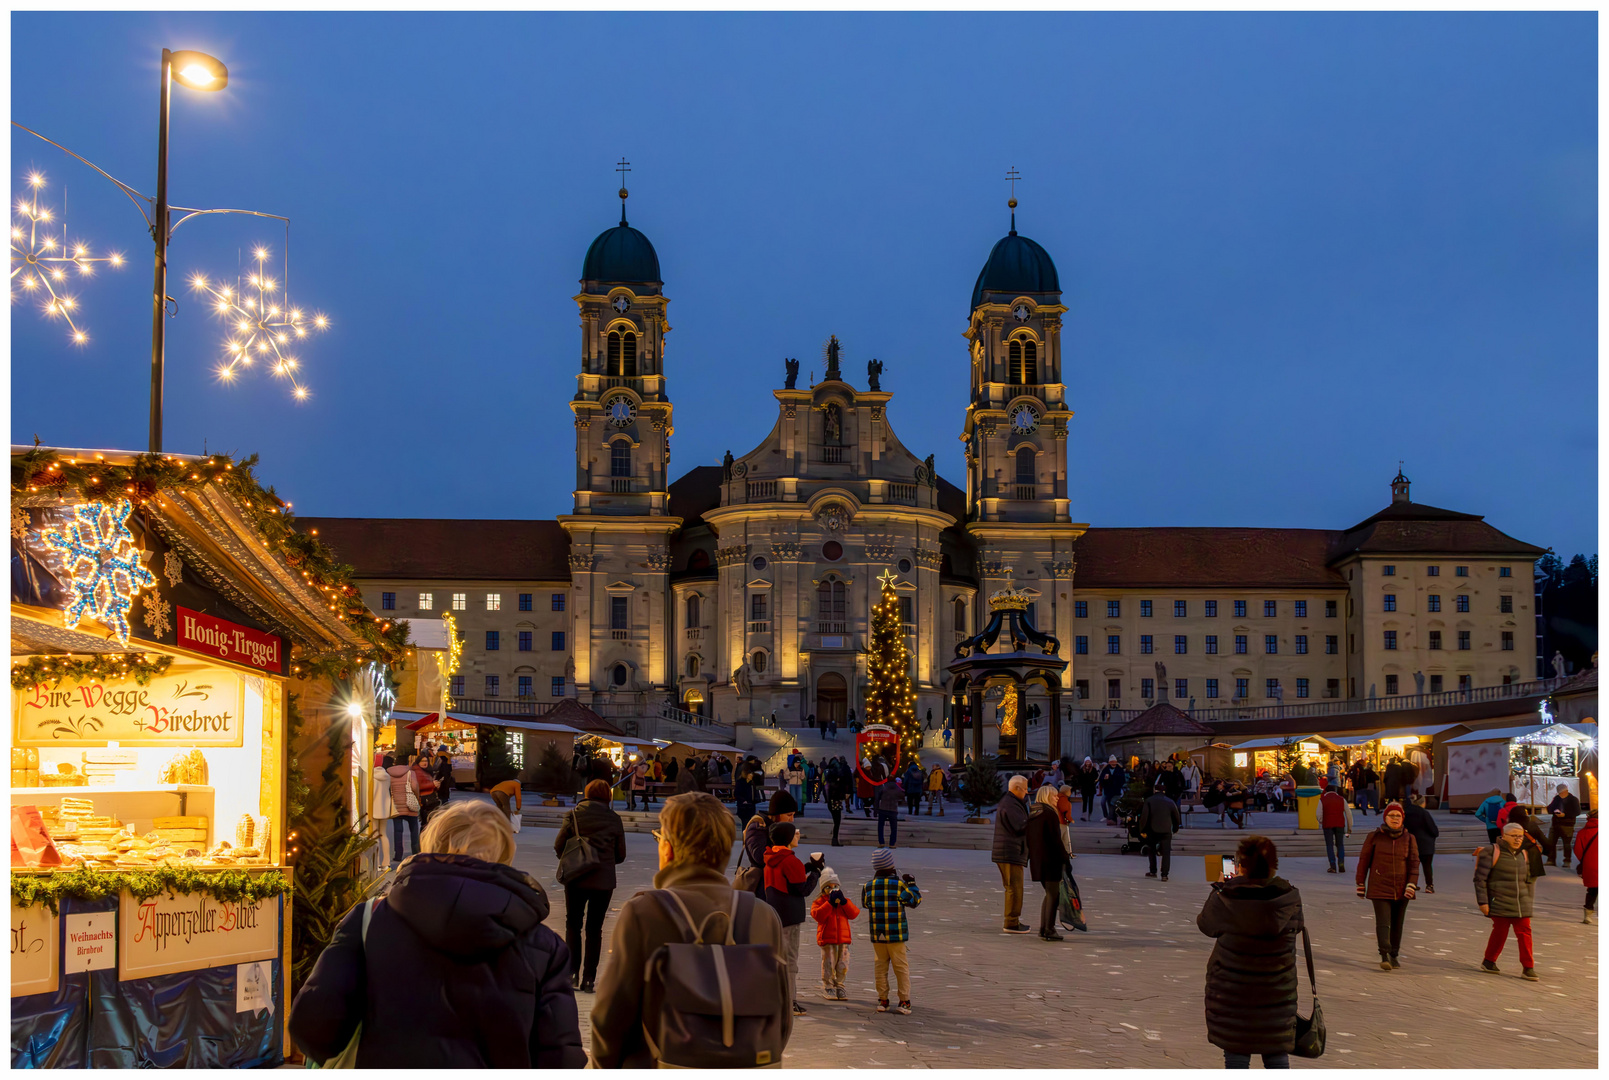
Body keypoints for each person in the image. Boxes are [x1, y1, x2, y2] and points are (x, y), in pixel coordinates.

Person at [289, 800, 585, 1067]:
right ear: (504, 854)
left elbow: (314, 1026)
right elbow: (560, 1056)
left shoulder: (370, 920)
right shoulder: (544, 946)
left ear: (430, 846)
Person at [587, 792, 790, 1067]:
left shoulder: (644, 912)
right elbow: (781, 1019)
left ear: (668, 849)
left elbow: (611, 1019)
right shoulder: (763, 916)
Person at [1197, 835, 1304, 1070]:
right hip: (1277, 992)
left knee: (1236, 1054)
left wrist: (1221, 886)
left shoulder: (1227, 897)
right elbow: (1295, 929)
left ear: (1241, 867)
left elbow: (1206, 925)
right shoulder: (1289, 897)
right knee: (1276, 1053)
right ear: (1273, 865)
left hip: (1232, 993)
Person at [553, 778, 627, 993]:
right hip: (603, 882)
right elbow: (621, 855)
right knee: (595, 929)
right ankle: (589, 979)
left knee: (573, 924)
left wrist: (572, 860)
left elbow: (559, 845)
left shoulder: (574, 815)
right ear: (608, 796)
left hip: (576, 878)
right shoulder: (614, 819)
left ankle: (572, 975)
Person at [763, 821, 825, 1015]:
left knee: (776, 959)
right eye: (795, 833)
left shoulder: (770, 857)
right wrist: (816, 871)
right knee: (790, 961)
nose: (798, 835)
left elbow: (789, 880)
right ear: (788, 838)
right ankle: (789, 1002)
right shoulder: (790, 860)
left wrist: (806, 867)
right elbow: (802, 889)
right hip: (790, 916)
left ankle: (774, 998)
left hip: (774, 914)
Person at [1355, 802, 1419, 971]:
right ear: (1385, 818)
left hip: (1402, 887)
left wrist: (1412, 884)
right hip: (1379, 886)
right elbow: (1364, 861)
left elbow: (1414, 863)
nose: (1395, 819)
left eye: (1398, 816)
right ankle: (1384, 954)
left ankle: (1394, 954)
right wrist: (1360, 882)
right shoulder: (1374, 837)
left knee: (1398, 923)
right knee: (1384, 922)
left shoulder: (1409, 838)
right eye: (1392, 816)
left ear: (1402, 818)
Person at [860, 848, 921, 1015]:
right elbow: (915, 901)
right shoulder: (899, 885)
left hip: (878, 934)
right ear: (891, 865)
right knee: (900, 967)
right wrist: (912, 884)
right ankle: (904, 1000)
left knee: (880, 966)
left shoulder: (868, 887)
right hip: (896, 933)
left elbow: (865, 904)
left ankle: (883, 1000)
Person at [1475, 822, 1540, 980]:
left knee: (1525, 932)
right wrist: (1483, 902)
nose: (1518, 839)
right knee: (1500, 931)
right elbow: (1480, 879)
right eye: (1514, 836)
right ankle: (1489, 960)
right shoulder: (1491, 852)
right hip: (1500, 901)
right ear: (1504, 836)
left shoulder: (1526, 853)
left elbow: (1531, 878)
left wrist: (1528, 900)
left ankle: (1528, 967)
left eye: (1520, 836)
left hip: (1521, 903)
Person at [1026, 785, 1071, 941]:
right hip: (1051, 860)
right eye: (1054, 795)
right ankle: (1049, 929)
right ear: (1046, 796)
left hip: (1038, 859)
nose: (1057, 798)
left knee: (1049, 893)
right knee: (1054, 894)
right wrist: (1066, 858)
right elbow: (1056, 840)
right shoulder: (1049, 813)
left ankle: (1044, 928)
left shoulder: (1034, 812)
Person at [809, 867, 860, 1001]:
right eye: (829, 887)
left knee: (842, 964)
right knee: (829, 964)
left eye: (835, 886)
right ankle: (828, 986)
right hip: (828, 939)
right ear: (823, 889)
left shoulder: (844, 902)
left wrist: (844, 902)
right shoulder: (820, 902)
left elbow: (854, 913)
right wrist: (830, 903)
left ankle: (840, 985)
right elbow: (818, 915)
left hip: (843, 939)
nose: (832, 889)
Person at [992, 775, 1032, 934]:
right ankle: (1011, 922)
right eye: (1025, 788)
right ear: (1016, 788)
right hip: (1010, 851)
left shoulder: (1011, 802)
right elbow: (1020, 826)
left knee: (1014, 887)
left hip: (1010, 851)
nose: (1027, 792)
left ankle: (1012, 920)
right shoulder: (1010, 804)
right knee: (1014, 888)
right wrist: (1034, 819)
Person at [744, 790, 798, 896]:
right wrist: (784, 843)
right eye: (789, 815)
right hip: (761, 887)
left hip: (774, 885)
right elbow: (760, 857)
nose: (792, 819)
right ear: (777, 813)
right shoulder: (758, 827)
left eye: (793, 815)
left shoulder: (776, 828)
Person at [385, 755, 423, 866]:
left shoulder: (389, 774)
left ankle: (398, 855)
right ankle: (415, 852)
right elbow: (415, 786)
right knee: (414, 829)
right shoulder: (410, 773)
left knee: (398, 831)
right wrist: (417, 796)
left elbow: (387, 788)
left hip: (396, 805)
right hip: (410, 804)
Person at [1139, 782, 1181, 882]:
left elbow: (1144, 817)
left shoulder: (1149, 801)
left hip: (1152, 830)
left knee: (1151, 850)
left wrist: (1142, 830)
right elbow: (1176, 817)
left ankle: (1153, 871)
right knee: (1166, 852)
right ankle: (1164, 875)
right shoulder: (1170, 801)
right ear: (1164, 791)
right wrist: (1175, 829)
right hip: (1166, 830)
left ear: (1154, 790)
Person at [1402, 794, 1440, 893]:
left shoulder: (1406, 813)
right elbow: (1432, 829)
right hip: (1425, 844)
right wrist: (1435, 834)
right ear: (1422, 802)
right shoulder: (1424, 813)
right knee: (1427, 865)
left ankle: (1411, 883)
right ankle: (1429, 885)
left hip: (1411, 843)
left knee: (1412, 865)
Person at [1546, 784, 1581, 869]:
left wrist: (1565, 815)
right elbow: (1550, 808)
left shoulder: (1573, 799)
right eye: (1559, 793)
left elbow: (1577, 812)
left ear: (1566, 791)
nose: (1560, 794)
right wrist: (1554, 811)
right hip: (1555, 824)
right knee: (1551, 842)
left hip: (1567, 824)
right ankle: (1551, 859)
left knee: (1567, 844)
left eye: (1562, 792)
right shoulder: (1557, 799)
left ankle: (1567, 860)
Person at [1319, 783, 1352, 873]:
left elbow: (1318, 814)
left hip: (1327, 825)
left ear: (1326, 791)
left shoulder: (1322, 800)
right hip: (1340, 824)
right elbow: (1348, 814)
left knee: (1329, 845)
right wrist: (1350, 827)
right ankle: (1341, 864)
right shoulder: (1342, 799)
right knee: (1340, 844)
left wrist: (1322, 820)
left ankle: (1332, 866)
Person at [1573, 810, 1598, 924]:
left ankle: (1588, 914)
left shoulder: (1582, 832)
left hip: (1590, 865)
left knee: (1592, 890)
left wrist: (1585, 860)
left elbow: (1578, 850)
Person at [825, 760, 850, 846]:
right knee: (837, 821)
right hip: (835, 801)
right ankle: (834, 839)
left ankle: (835, 838)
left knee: (837, 821)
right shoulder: (837, 782)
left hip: (832, 801)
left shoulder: (830, 781)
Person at [875, 774, 904, 848]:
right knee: (894, 828)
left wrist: (876, 809)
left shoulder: (883, 787)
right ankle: (892, 843)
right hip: (893, 809)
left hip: (883, 808)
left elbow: (877, 798)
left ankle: (881, 842)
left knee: (880, 826)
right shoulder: (898, 788)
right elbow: (902, 796)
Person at [1097, 757, 1126, 823]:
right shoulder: (1106, 769)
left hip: (1116, 790)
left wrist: (1115, 779)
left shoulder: (1119, 769)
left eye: (1114, 762)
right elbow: (1101, 779)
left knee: (1112, 803)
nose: (1113, 764)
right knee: (1104, 802)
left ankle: (1112, 818)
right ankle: (1108, 816)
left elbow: (1122, 779)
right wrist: (1104, 779)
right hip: (1107, 790)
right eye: (1112, 762)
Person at [735, 764, 759, 829]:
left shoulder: (752, 783)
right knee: (745, 824)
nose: (752, 775)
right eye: (750, 774)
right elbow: (737, 793)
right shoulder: (740, 782)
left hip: (750, 806)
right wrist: (743, 801)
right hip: (744, 806)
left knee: (749, 824)